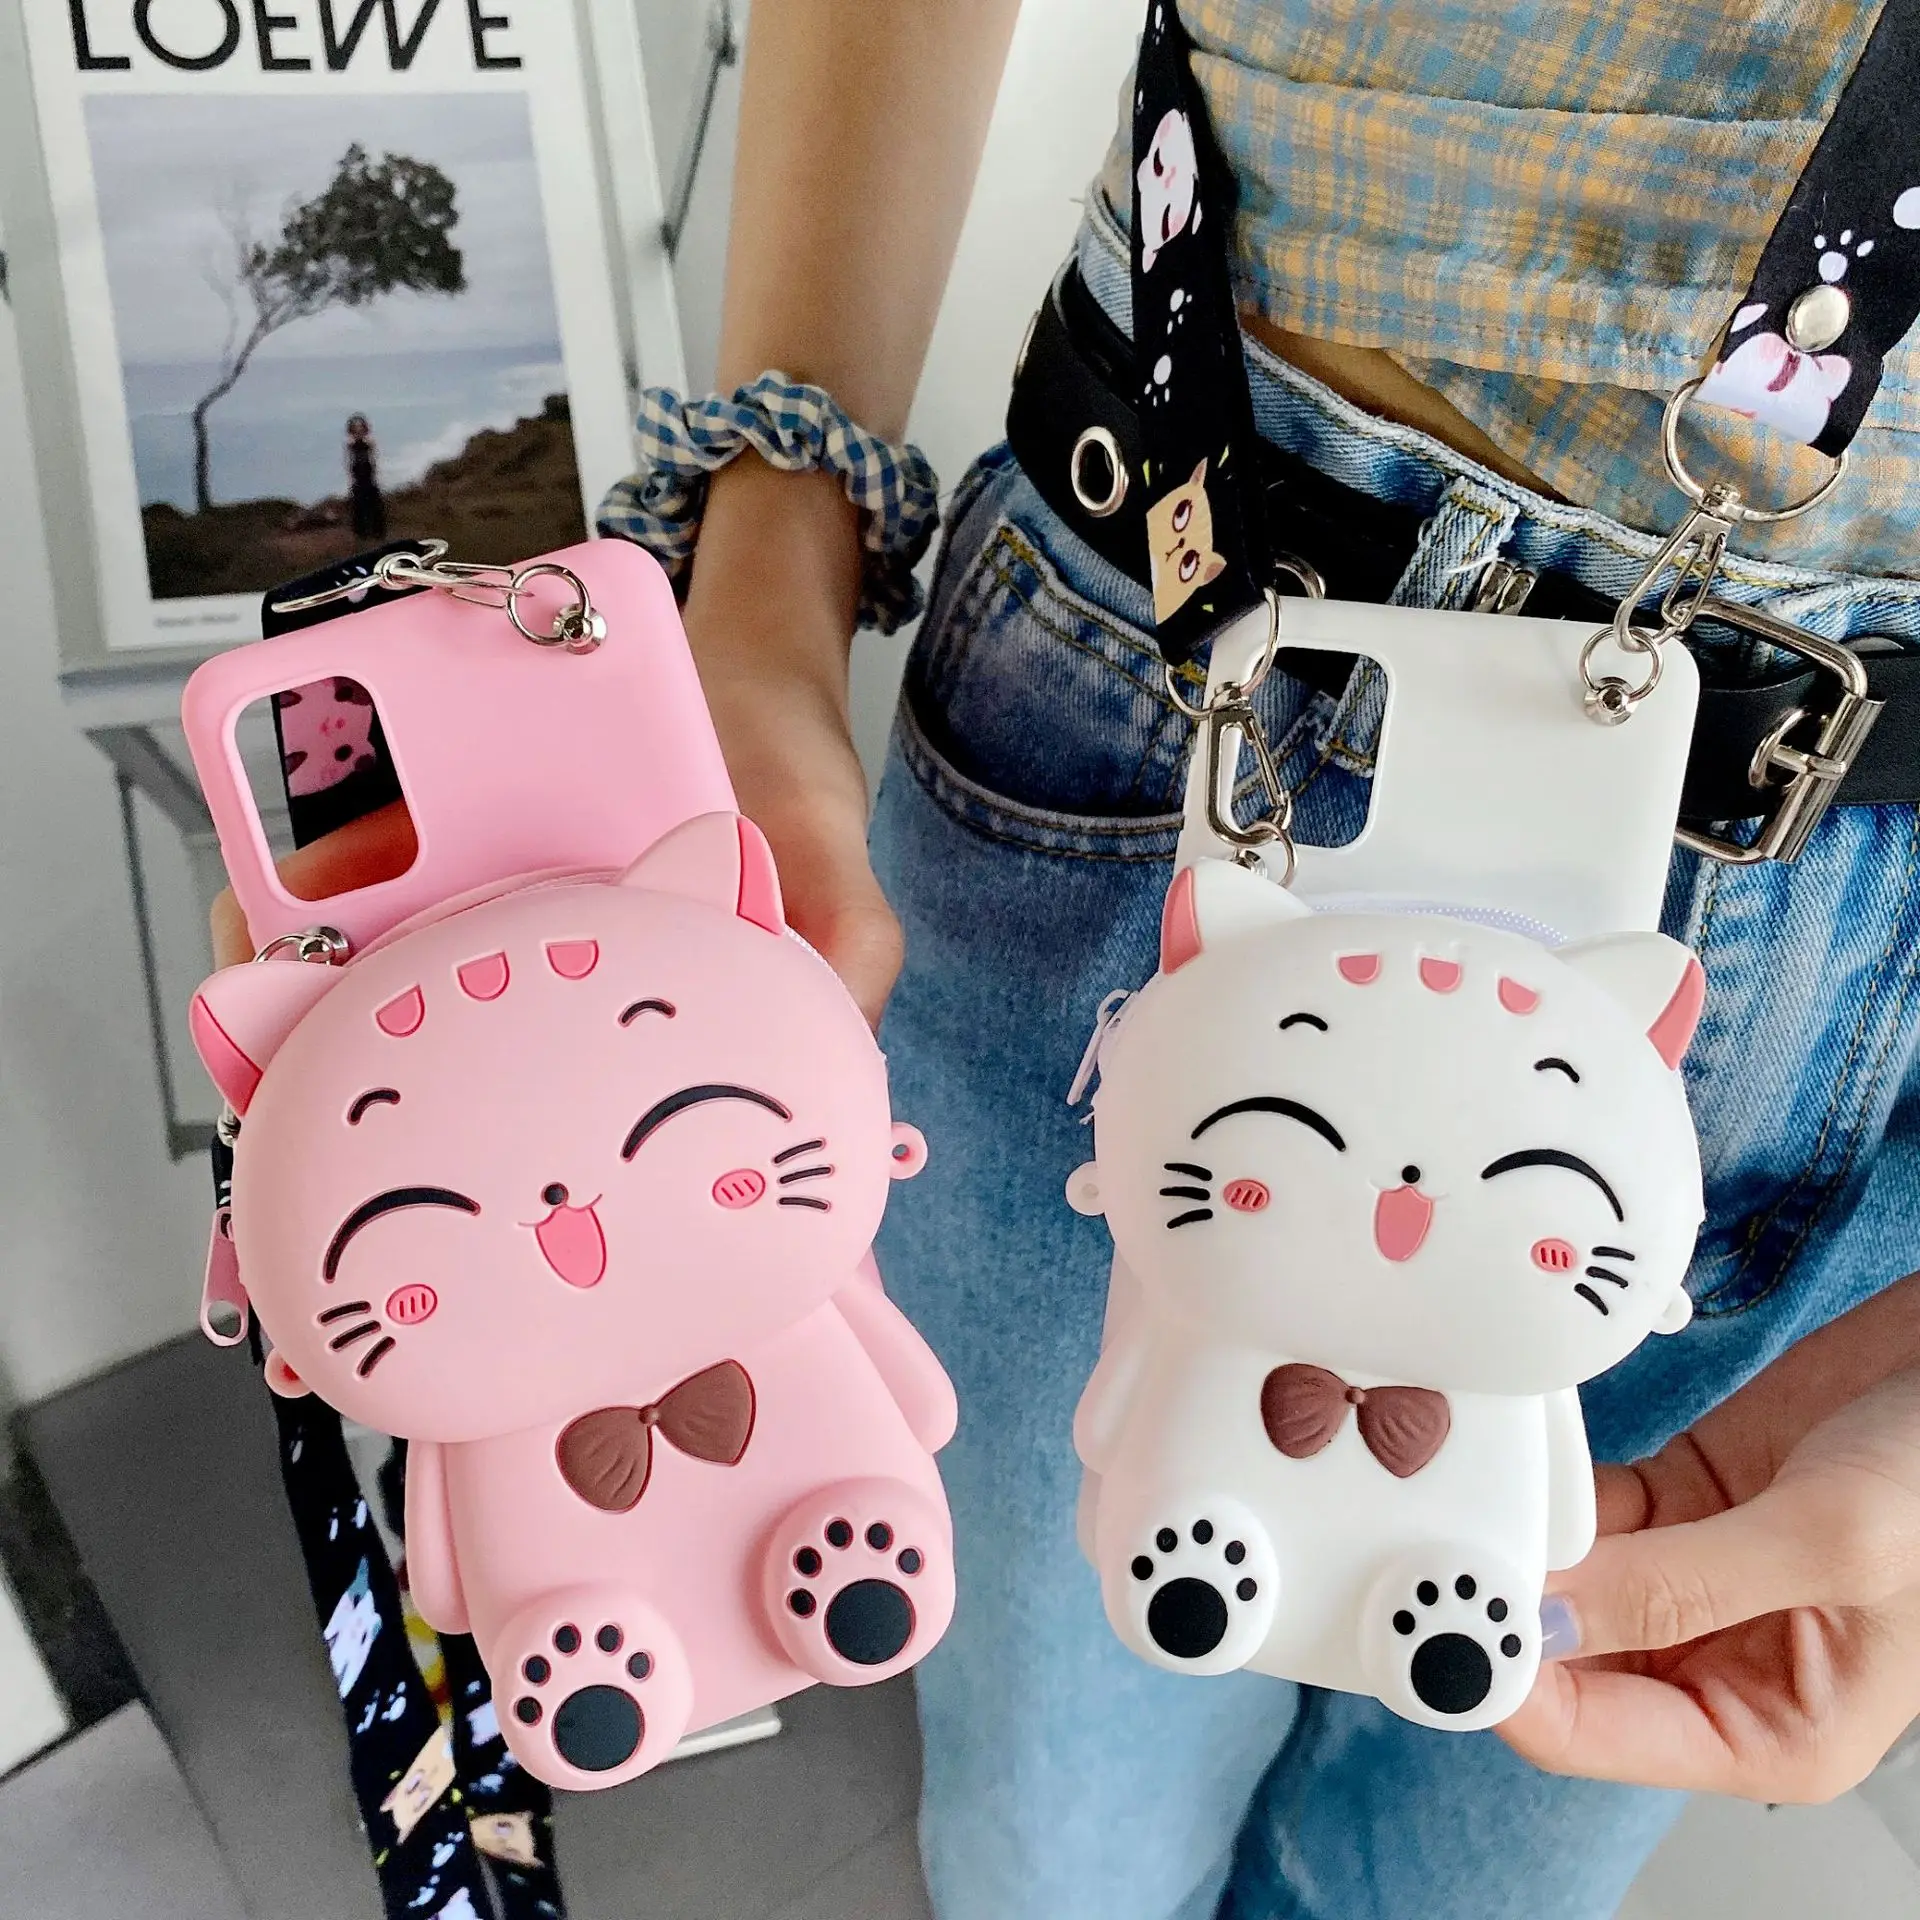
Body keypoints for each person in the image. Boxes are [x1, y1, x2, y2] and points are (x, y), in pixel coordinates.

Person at [663, 5, 1920, 1918]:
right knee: (1056, 1829)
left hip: (1862, 884)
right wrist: (767, 544)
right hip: (1181, 625)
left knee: (1487, 1847)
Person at [345, 414, 387, 541]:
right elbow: (350, 463)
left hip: (369, 479)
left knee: (374, 505)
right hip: (358, 480)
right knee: (359, 507)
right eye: (356, 429)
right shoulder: (350, 446)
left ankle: (377, 532)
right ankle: (362, 533)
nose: (358, 431)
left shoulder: (369, 444)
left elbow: (373, 461)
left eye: (360, 428)